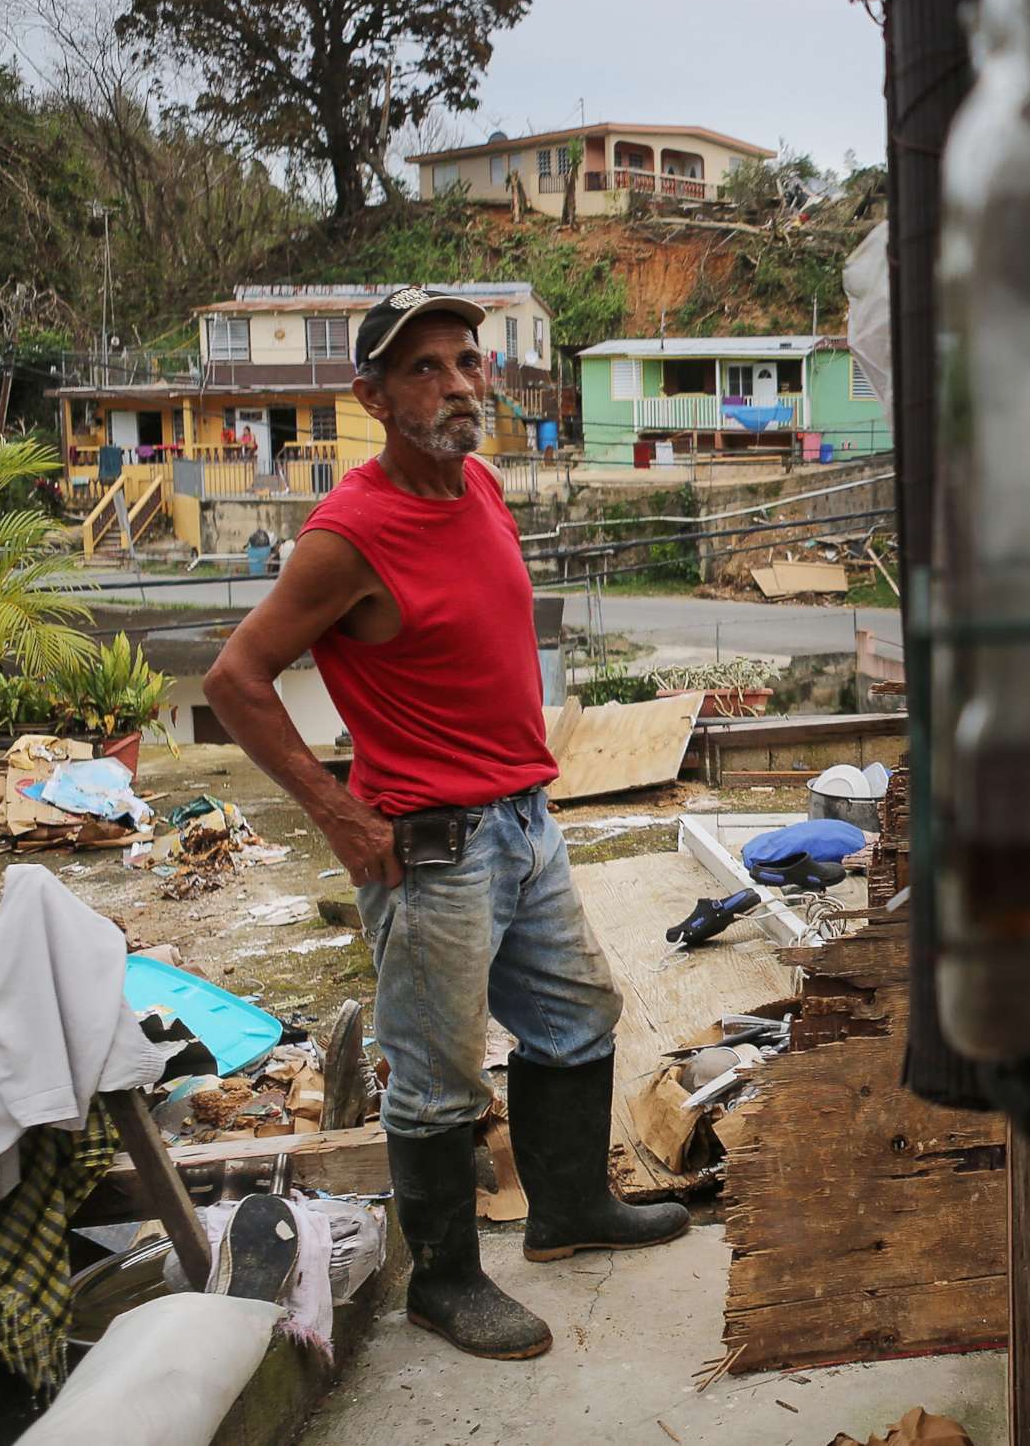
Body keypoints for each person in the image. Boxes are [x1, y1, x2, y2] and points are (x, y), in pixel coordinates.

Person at [203, 287, 686, 1361]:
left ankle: (567, 1213)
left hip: (524, 819)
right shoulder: (347, 535)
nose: (461, 381)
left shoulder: (479, 486)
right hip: (431, 850)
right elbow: (235, 677)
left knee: (576, 1016)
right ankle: (447, 1283)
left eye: (468, 359)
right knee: (435, 1072)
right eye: (426, 367)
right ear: (371, 394)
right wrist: (333, 808)